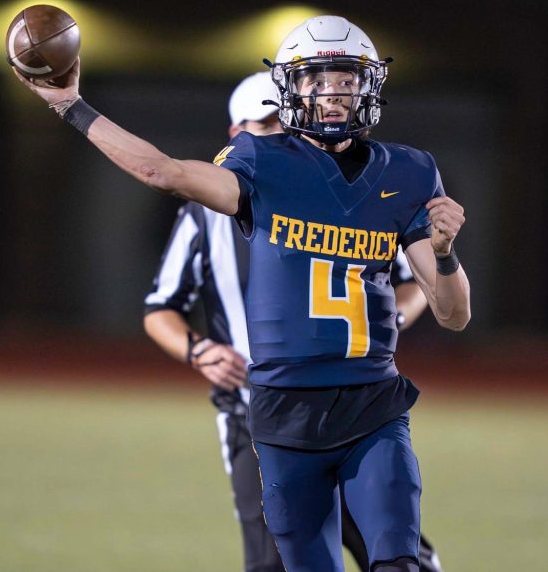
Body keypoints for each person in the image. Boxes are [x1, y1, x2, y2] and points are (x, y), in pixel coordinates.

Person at [13, 15, 471, 572]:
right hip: (281, 412)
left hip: (372, 405)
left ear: (368, 86)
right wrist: (70, 106)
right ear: (292, 87)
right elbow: (163, 172)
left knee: (401, 564)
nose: (332, 93)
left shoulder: (411, 171)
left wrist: (445, 253)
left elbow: (452, 314)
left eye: (346, 79)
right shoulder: (262, 161)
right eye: (317, 79)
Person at [142, 72, 444, 572]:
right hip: (258, 411)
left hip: (346, 403)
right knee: (270, 561)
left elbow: (414, 285)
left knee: (396, 551)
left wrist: (386, 320)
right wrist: (198, 350)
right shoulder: (204, 214)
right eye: (263, 124)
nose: (277, 132)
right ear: (235, 135)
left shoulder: (342, 201)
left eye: (280, 121)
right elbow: (159, 309)